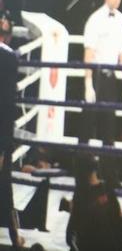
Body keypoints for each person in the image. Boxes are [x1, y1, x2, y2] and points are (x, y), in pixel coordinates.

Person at [82, 0, 122, 155]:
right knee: (87, 127)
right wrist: (88, 85)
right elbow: (88, 53)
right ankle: (82, 176)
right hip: (96, 75)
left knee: (109, 128)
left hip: (111, 78)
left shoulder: (121, 20)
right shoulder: (95, 20)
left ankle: (109, 178)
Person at [0, 13, 24, 250]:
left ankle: (15, 236)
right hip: (1, 135)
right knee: (4, 187)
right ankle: (15, 237)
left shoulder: (7, 59)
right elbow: (7, 105)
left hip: (1, 135)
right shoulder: (8, 58)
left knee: (5, 186)